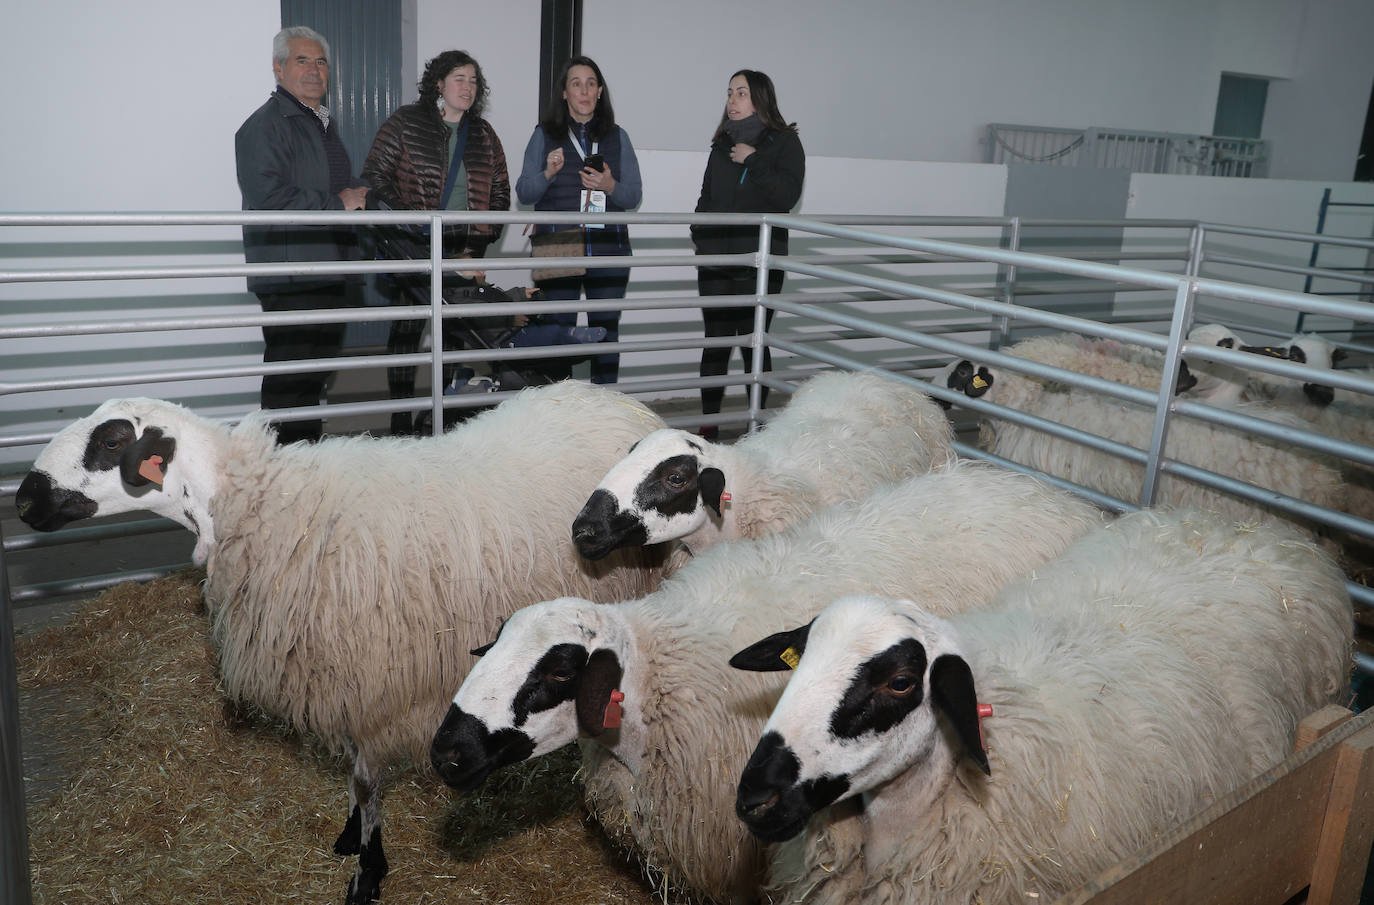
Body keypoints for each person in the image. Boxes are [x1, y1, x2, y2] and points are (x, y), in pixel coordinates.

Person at [362, 50, 601, 433]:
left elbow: (502, 192)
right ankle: (402, 423)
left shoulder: (483, 135)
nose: (468, 87)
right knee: (406, 334)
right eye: (459, 78)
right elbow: (375, 177)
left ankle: (444, 419)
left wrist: (480, 240)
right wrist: (411, 226)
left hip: (465, 248)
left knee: (458, 337)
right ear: (438, 83)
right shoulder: (406, 123)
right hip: (415, 246)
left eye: (474, 81)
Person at [236, 25, 368, 445]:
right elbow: (267, 197)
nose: (314, 70)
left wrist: (363, 192)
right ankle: (280, 479)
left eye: (321, 61)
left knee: (311, 383)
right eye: (302, 60)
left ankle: (304, 471)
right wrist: (340, 204)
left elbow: (339, 187)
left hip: (325, 271)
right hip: (293, 276)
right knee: (289, 388)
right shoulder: (264, 126)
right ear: (278, 68)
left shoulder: (319, 123)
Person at [691, 69, 805, 439]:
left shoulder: (785, 143)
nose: (732, 100)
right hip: (717, 262)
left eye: (740, 93)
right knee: (717, 344)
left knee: (755, 344)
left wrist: (754, 160)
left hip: (760, 263)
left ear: (759, 98)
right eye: (729, 93)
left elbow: (786, 197)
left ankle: (756, 425)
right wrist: (701, 236)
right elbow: (705, 198)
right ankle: (709, 428)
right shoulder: (721, 146)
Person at [516, 55, 642, 384]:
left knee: (606, 334)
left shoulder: (618, 137)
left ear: (600, 91)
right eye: (576, 84)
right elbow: (525, 192)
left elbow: (633, 196)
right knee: (557, 335)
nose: (583, 91)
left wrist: (609, 185)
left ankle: (604, 420)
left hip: (608, 247)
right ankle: (562, 418)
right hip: (557, 246)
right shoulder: (544, 134)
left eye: (590, 84)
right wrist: (548, 173)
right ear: (564, 93)